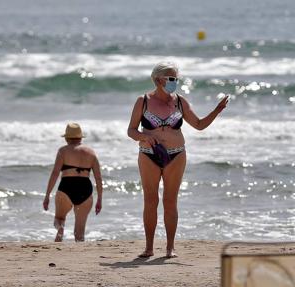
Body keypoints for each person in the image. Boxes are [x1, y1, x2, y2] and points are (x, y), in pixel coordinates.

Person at [127, 62, 229, 258]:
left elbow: (198, 125)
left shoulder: (180, 101)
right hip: (149, 155)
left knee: (170, 201)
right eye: (171, 78)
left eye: (176, 79)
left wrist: (217, 110)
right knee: (150, 200)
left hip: (177, 154)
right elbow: (131, 130)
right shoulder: (143, 101)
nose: (175, 82)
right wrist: (144, 137)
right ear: (158, 80)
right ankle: (149, 247)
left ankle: (170, 247)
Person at [43, 122, 103, 242]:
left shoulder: (63, 151)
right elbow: (98, 178)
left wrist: (47, 196)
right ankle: (80, 254)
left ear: (66, 138)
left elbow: (55, 173)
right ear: (80, 137)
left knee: (59, 219)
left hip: (66, 187)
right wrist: (99, 199)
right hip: (85, 189)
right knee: (80, 234)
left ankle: (60, 230)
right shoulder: (91, 153)